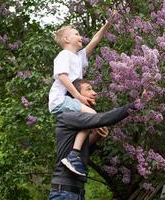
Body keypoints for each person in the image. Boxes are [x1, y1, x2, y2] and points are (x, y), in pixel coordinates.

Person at [49, 79, 147, 200]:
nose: (94, 93)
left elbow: (85, 152)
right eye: (89, 89)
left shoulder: (79, 123)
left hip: (74, 192)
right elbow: (104, 119)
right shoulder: (68, 116)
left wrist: (97, 136)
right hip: (64, 192)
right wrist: (135, 104)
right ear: (77, 95)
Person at [48, 14, 115, 177]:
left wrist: (108, 24)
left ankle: (76, 153)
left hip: (68, 99)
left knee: (90, 122)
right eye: (76, 34)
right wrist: (79, 97)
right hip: (60, 100)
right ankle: (73, 155)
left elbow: (94, 41)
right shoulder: (64, 55)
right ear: (66, 39)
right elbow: (63, 77)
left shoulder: (78, 57)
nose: (80, 36)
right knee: (92, 115)